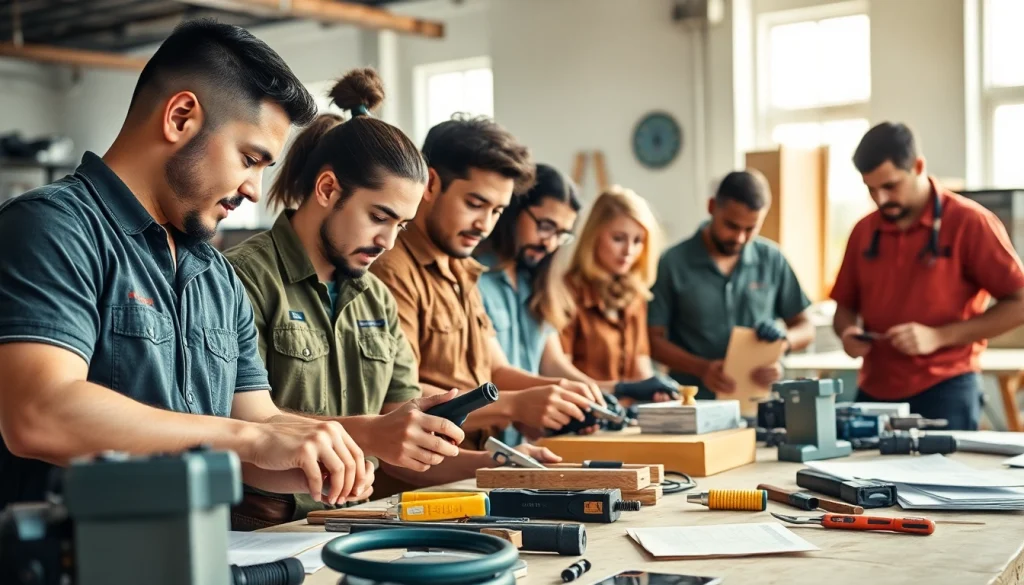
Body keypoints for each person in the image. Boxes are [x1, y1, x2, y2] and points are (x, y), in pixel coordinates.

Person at [0, 20, 373, 509]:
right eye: (249, 159)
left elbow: (254, 422)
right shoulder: (53, 228)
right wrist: (251, 439)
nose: (254, 191)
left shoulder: (216, 276)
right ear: (180, 117)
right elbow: (40, 413)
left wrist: (317, 457)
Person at [226, 71, 557, 527]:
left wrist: (503, 468)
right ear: (327, 189)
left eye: (401, 225)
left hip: (355, 520)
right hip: (266, 524)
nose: (387, 240)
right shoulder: (243, 278)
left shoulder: (375, 297)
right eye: (379, 217)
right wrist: (371, 435)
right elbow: (239, 426)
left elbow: (398, 442)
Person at [369, 116, 602, 443]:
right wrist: (515, 406)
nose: (484, 225)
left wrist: (561, 393)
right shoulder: (391, 270)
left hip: (473, 470)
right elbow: (397, 394)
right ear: (430, 185)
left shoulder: (463, 268)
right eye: (475, 204)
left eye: (496, 211)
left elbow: (495, 371)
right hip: (424, 482)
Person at [831, 122, 1024, 430]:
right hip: (874, 392)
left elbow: (1019, 303)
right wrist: (847, 334)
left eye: (890, 186)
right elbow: (845, 309)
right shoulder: (864, 231)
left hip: (945, 388)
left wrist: (939, 336)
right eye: (870, 188)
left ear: (918, 166)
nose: (880, 199)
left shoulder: (969, 223)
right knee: (864, 480)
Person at [648, 171, 815, 400]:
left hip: (760, 402)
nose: (739, 238)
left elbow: (806, 326)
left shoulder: (773, 259)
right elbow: (653, 340)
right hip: (696, 403)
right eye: (731, 226)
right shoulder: (672, 263)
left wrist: (784, 342)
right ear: (711, 207)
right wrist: (702, 368)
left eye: (750, 229)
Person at [475, 163, 602, 393]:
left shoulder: (534, 284)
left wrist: (604, 392)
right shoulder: (476, 278)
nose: (550, 243)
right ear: (514, 210)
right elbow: (497, 374)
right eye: (545, 227)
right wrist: (569, 391)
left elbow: (553, 364)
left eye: (561, 235)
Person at [558, 186, 669, 394]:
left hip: (628, 419)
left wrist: (658, 389)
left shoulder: (635, 296)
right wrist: (623, 390)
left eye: (638, 241)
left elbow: (640, 369)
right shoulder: (567, 292)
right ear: (594, 236)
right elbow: (558, 373)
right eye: (618, 238)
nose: (629, 251)